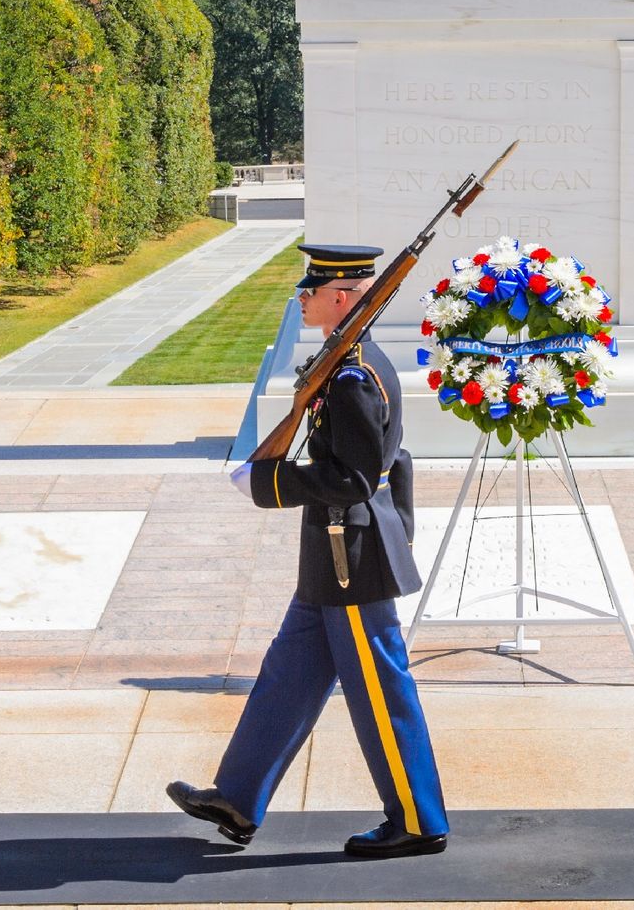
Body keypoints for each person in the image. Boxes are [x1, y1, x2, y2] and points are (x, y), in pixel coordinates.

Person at [167, 243, 450, 859]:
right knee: (288, 675)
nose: (301, 299)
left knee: (380, 690)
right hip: (332, 553)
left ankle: (418, 818)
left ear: (343, 298)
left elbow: (354, 478)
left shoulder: (351, 378)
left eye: (312, 291)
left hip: (351, 554)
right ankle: (239, 797)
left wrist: (272, 482)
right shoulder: (347, 361)